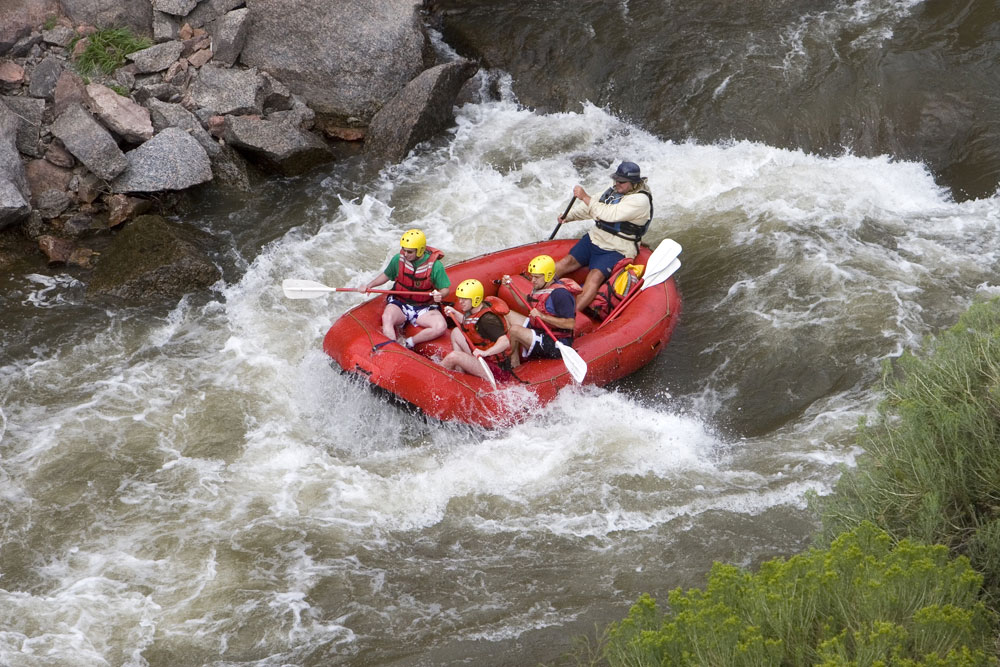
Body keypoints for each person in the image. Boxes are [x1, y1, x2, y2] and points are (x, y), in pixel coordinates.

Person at [552, 160, 653, 313]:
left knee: (594, 277)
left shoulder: (640, 201)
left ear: (633, 183)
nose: (617, 184)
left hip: (618, 247)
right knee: (566, 262)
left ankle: (568, 316)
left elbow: (606, 214)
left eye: (621, 182)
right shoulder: (615, 191)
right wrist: (569, 216)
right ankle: (537, 293)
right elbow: (591, 207)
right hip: (596, 237)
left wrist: (584, 196)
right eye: (615, 180)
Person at [364, 228, 450, 348]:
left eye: (409, 252)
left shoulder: (436, 266)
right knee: (387, 317)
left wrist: (440, 294)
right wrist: (369, 285)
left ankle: (410, 343)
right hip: (400, 303)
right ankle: (392, 348)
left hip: (423, 307)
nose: (405, 254)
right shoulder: (398, 259)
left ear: (420, 251)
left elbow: (445, 289)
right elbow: (386, 275)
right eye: (404, 250)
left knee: (440, 326)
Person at [503, 254, 579, 367]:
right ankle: (512, 351)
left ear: (548, 276)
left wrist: (542, 316)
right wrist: (511, 287)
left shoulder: (560, 294)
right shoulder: (541, 287)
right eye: (532, 276)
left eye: (537, 277)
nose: (533, 280)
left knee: (514, 330)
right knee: (507, 315)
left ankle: (514, 366)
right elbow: (526, 303)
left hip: (556, 341)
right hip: (541, 329)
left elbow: (570, 324)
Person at [441, 279, 513, 383]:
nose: (460, 302)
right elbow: (471, 323)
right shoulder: (476, 309)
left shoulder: (488, 320)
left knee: (453, 356)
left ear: (475, 299)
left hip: (495, 369)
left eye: (464, 299)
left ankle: (433, 381)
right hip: (482, 359)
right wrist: (454, 313)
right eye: (460, 298)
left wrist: (485, 353)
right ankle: (460, 373)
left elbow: (505, 342)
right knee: (456, 332)